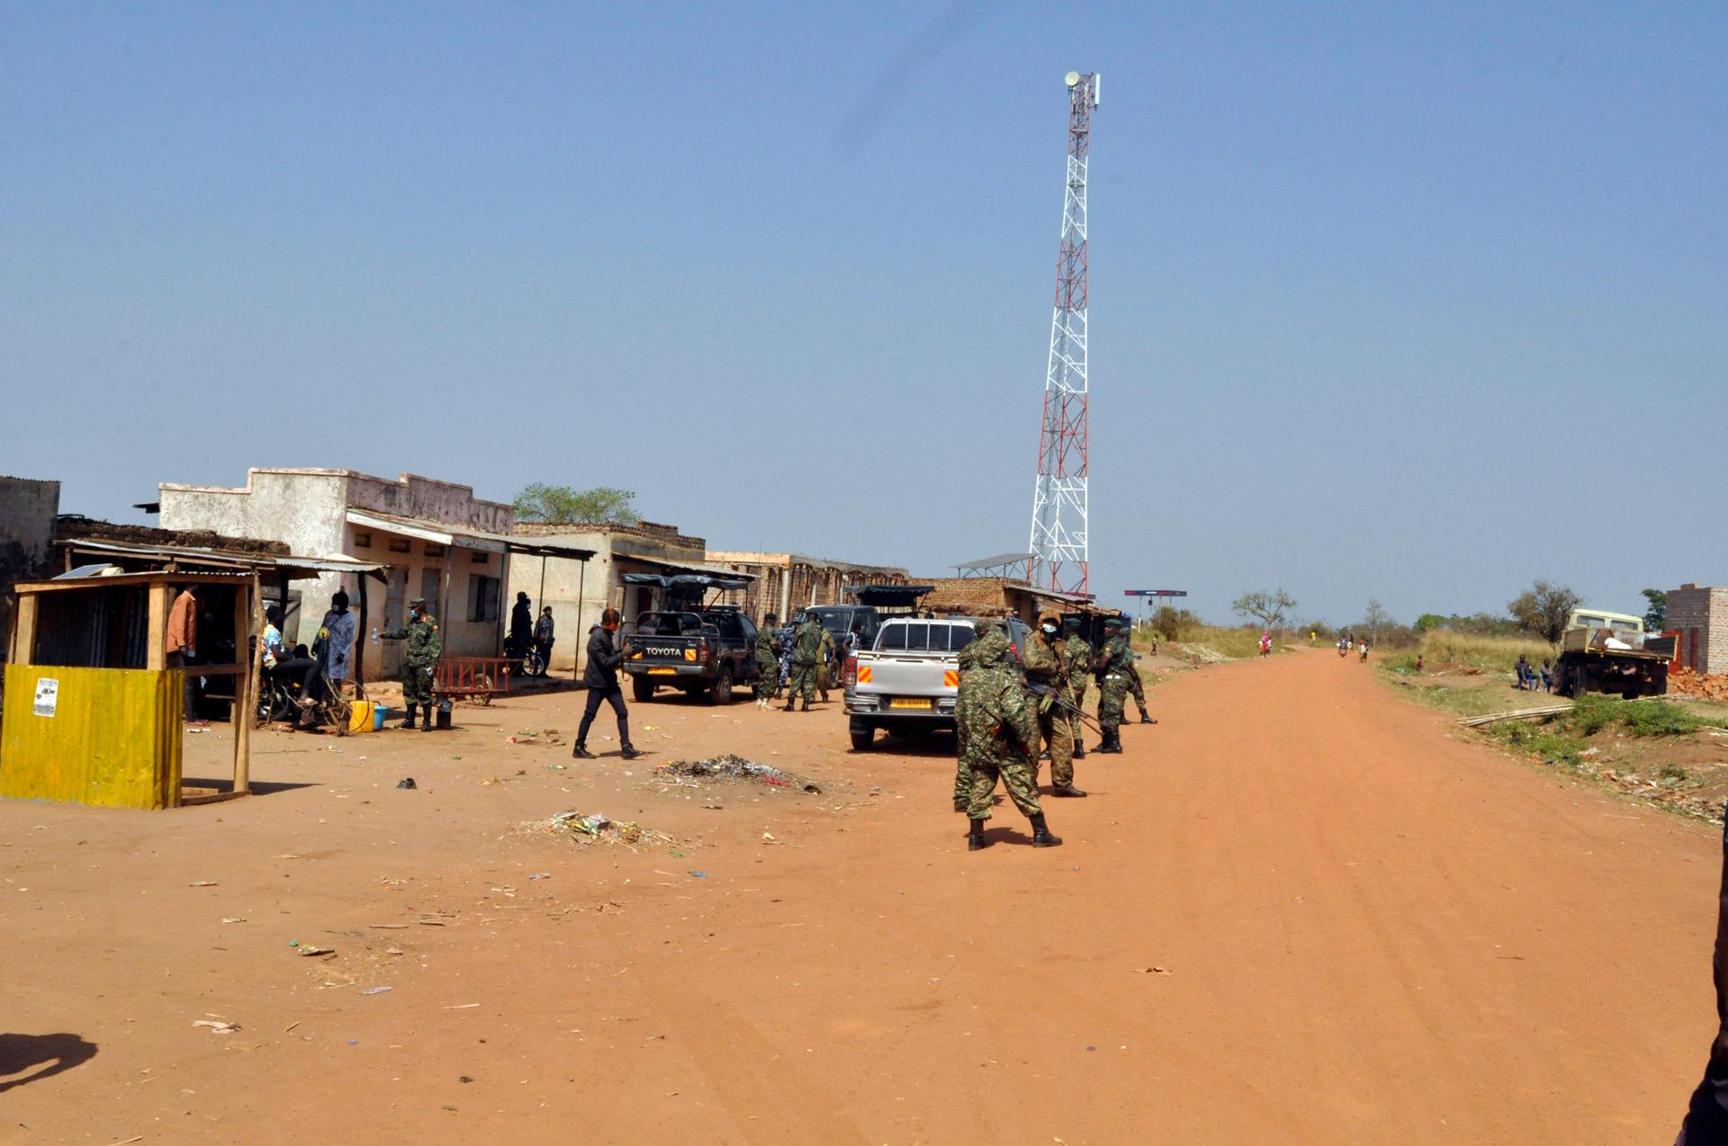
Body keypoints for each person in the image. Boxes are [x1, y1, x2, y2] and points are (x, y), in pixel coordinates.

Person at [960, 624, 1061, 850]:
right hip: (1004, 744)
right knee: (1021, 785)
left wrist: (971, 739)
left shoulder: (968, 678)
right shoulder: (1004, 678)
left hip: (978, 745)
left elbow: (960, 714)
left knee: (981, 786)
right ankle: (1041, 833)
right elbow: (1015, 714)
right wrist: (1025, 740)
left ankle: (976, 837)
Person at [1022, 613, 1085, 797]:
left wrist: (1064, 668)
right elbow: (1031, 662)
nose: (1051, 626)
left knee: (1063, 738)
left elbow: (1066, 661)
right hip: (1033, 696)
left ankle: (1063, 783)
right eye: (1048, 623)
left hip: (1052, 697)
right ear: (1040, 624)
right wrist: (1055, 666)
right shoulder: (1032, 640)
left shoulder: (1057, 644)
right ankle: (1028, 785)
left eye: (1054, 624)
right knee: (1032, 742)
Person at [572, 607, 640, 760]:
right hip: (598, 683)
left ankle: (626, 747)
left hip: (610, 683)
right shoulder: (596, 638)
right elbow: (605, 662)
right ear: (611, 623)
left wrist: (628, 652)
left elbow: (611, 655)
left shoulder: (606, 635)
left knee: (622, 712)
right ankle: (578, 747)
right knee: (589, 715)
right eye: (616, 623)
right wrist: (623, 654)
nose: (618, 626)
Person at [952, 619, 995, 811]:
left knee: (964, 754)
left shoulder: (967, 651)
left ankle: (962, 796)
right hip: (979, 711)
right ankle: (977, 795)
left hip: (963, 708)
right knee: (979, 755)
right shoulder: (986, 652)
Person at [380, 598, 442, 730]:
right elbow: (403, 633)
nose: (412, 611)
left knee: (424, 692)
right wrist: (385, 635)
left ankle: (426, 722)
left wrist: (432, 664)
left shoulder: (431, 622)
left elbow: (435, 645)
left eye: (414, 608)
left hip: (423, 663)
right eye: (412, 608)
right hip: (410, 662)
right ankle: (410, 720)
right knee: (409, 692)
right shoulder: (413, 622)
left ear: (421, 608)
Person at [1092, 617, 1132, 753]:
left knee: (1111, 712)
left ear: (1116, 629)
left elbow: (1102, 664)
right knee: (1103, 711)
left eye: (1109, 627)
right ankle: (1106, 742)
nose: (1106, 629)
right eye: (1106, 626)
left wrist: (1092, 666)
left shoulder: (1112, 643)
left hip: (1112, 681)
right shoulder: (1116, 642)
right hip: (1112, 681)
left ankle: (1114, 744)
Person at [166, 586, 199, 720]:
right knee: (187, 682)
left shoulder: (190, 600)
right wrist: (182, 645)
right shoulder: (184, 599)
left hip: (185, 648)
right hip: (180, 649)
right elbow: (180, 624)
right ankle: (189, 716)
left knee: (189, 681)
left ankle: (188, 713)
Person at [1061, 622, 1093, 760]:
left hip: (1070, 685)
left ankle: (1056, 748)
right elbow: (1091, 663)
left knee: (1059, 715)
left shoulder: (1067, 646)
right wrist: (1084, 673)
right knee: (1075, 714)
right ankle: (1079, 747)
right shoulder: (1086, 645)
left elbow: (1067, 666)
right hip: (1082, 683)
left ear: (1069, 629)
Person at [784, 612, 824, 712]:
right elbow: (818, 645)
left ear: (808, 617)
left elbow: (794, 641)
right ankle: (805, 705)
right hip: (811, 658)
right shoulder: (819, 630)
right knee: (809, 682)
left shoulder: (803, 627)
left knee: (796, 680)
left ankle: (790, 704)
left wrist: (797, 648)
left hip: (800, 657)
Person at [752, 612, 781, 709]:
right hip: (768, 657)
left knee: (762, 679)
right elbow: (773, 644)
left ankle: (759, 700)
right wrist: (780, 646)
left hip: (759, 657)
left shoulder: (761, 630)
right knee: (771, 680)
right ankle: (765, 702)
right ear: (771, 621)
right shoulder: (770, 630)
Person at [1126, 644, 1157, 725]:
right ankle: (1144, 716)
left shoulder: (1110, 647)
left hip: (1112, 676)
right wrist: (1136, 677)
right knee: (1137, 692)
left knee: (1119, 696)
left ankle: (1121, 716)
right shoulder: (1125, 650)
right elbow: (1130, 666)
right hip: (1125, 676)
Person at [509, 592, 534, 667]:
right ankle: (516, 669)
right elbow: (522, 623)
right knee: (518, 654)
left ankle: (518, 669)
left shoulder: (520, 608)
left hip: (521, 635)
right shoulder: (520, 608)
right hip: (521, 636)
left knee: (520, 654)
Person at [533, 606, 555, 677]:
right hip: (541, 641)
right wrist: (536, 638)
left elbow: (550, 631)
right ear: (545, 611)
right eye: (548, 610)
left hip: (548, 642)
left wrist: (551, 639)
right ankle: (536, 671)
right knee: (540, 657)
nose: (550, 612)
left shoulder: (551, 620)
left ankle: (543, 672)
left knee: (547, 657)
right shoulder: (541, 620)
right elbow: (536, 630)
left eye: (550, 610)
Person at [816, 625, 836, 703]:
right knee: (810, 681)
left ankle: (824, 695)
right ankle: (809, 698)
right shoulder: (812, 632)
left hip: (822, 662)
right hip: (811, 660)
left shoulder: (826, 634)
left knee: (821, 682)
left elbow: (832, 647)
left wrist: (833, 657)